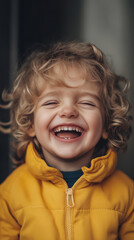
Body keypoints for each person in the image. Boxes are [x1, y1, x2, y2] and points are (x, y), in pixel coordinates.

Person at [0, 42, 133, 240]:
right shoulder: (10, 192)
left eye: (87, 102)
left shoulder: (126, 192)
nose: (68, 111)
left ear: (106, 125)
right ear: (30, 124)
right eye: (52, 102)